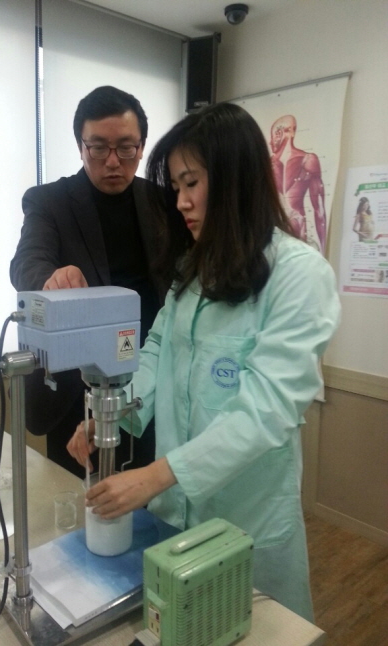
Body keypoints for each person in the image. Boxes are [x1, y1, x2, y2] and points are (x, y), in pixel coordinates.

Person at [68, 102, 341, 621]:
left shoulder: (299, 276)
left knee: (256, 628)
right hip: (176, 518)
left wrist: (156, 476)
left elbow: (266, 409)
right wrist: (112, 413)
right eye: (176, 187)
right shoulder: (191, 273)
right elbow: (156, 354)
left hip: (248, 522)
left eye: (191, 183)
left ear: (237, 180)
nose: (182, 202)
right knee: (181, 625)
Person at [10, 86, 165, 477]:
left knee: (144, 492)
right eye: (98, 148)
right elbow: (26, 262)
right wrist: (51, 278)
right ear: (81, 146)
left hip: (147, 380)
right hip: (75, 389)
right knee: (74, 497)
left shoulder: (163, 202)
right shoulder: (50, 201)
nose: (112, 161)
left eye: (125, 148)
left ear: (141, 147)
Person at [269, 114, 327, 253]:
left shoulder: (307, 160)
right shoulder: (267, 165)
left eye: (274, 135)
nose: (270, 142)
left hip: (296, 232)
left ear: (284, 132)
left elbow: (319, 209)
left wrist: (322, 252)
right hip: (273, 237)